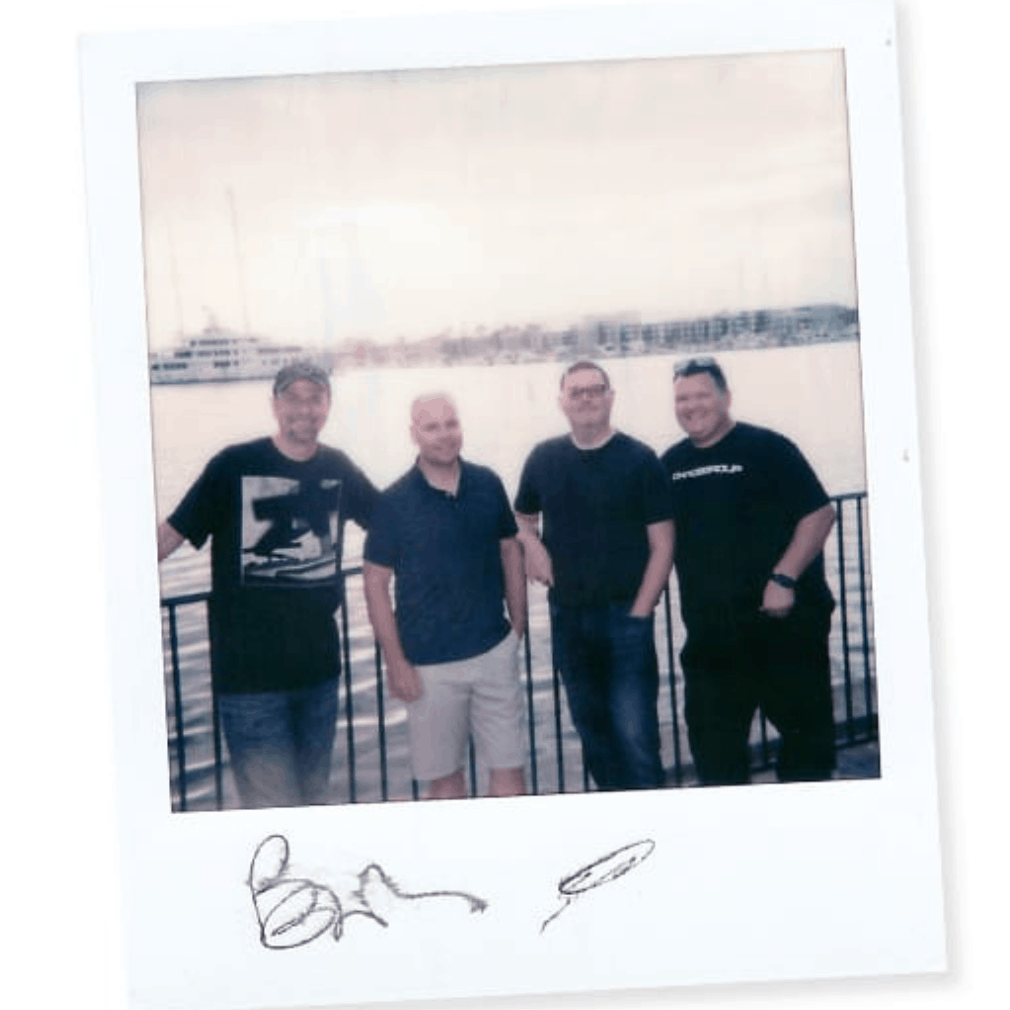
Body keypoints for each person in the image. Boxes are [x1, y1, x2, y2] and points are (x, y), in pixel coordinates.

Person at [157, 361, 378, 808]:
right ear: (275, 404)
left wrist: (501, 537)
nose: (304, 408)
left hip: (319, 672)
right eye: (292, 397)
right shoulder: (233, 465)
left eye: (314, 398)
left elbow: (396, 523)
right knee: (271, 812)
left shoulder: (338, 467)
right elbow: (171, 534)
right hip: (249, 681)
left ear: (327, 405)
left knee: (313, 801)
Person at [660, 356, 837, 786]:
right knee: (715, 760)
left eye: (702, 395)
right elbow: (646, 536)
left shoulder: (768, 448)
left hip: (784, 629)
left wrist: (784, 577)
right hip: (713, 642)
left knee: (807, 753)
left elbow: (819, 514)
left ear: (726, 398)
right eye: (682, 398)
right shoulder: (669, 464)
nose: (692, 406)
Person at [514, 362, 674, 791]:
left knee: (636, 737)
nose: (586, 398)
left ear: (610, 396)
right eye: (576, 392)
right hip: (568, 620)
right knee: (595, 736)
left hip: (627, 619)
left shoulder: (640, 460)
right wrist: (531, 546)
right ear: (562, 402)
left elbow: (663, 545)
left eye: (595, 390)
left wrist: (641, 614)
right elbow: (522, 518)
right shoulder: (543, 458)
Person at [362, 394, 527, 800]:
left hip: (493, 652)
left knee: (511, 775)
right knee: (445, 783)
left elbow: (509, 550)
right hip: (429, 666)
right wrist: (396, 662)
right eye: (432, 427)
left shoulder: (487, 483)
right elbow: (375, 583)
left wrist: (518, 628)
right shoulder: (394, 501)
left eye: (450, 424)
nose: (444, 435)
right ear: (414, 434)